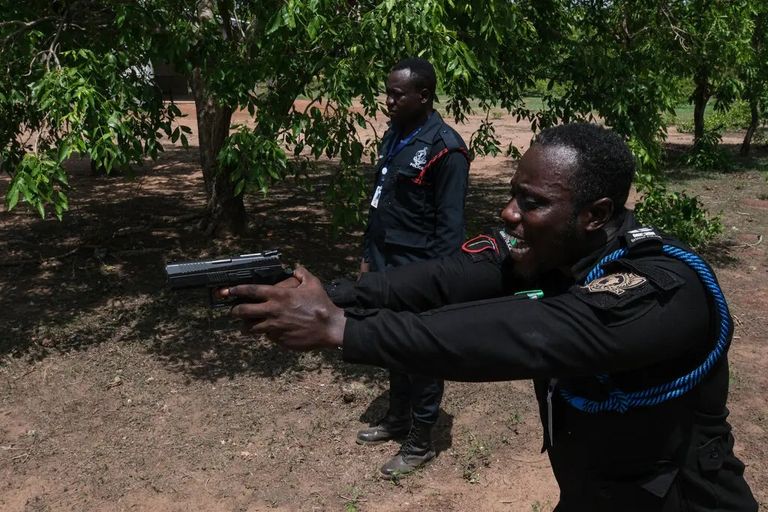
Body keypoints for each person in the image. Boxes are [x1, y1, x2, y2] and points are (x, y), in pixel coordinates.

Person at [220, 123, 757, 511]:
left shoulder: (662, 287)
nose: (509, 214)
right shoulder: (556, 253)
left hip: (679, 501)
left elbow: (527, 336)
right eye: (512, 195)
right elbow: (440, 279)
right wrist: (328, 295)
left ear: (595, 215)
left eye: (533, 202)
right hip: (594, 491)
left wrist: (341, 329)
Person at [353, 57, 469, 478]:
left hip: (418, 268)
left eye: (397, 95)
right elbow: (380, 202)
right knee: (391, 342)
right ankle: (397, 417)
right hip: (385, 262)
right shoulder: (395, 135)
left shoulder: (447, 149)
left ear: (423, 95)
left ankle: (421, 440)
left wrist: (437, 283)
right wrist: (368, 256)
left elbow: (450, 227)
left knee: (421, 351)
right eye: (387, 92)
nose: (388, 101)